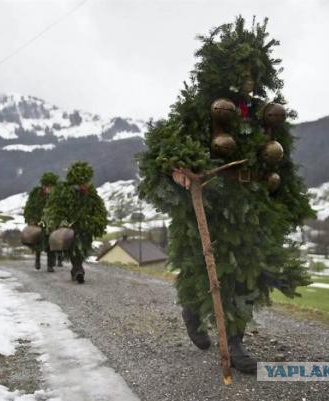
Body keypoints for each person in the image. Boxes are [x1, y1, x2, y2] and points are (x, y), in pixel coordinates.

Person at [137, 17, 314, 373]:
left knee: (246, 271)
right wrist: (180, 173)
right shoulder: (204, 108)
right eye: (243, 71)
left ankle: (234, 343)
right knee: (204, 269)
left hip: (251, 206)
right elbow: (166, 148)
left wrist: (286, 200)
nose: (249, 80)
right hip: (212, 203)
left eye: (254, 72)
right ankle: (192, 309)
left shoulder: (265, 116)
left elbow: (283, 163)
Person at [43, 161, 107, 283]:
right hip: (69, 227)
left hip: (86, 225)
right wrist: (62, 222)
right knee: (73, 248)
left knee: (82, 248)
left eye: (84, 182)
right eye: (80, 183)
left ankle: (76, 269)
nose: (83, 185)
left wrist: (96, 221)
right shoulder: (64, 192)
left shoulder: (91, 194)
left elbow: (99, 210)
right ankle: (78, 269)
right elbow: (56, 209)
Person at [23, 172, 61, 272]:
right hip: (38, 221)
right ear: (43, 186)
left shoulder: (56, 195)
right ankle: (37, 259)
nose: (49, 189)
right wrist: (31, 219)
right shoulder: (36, 194)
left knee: (51, 243)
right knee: (38, 241)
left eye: (51, 187)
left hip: (51, 222)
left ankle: (50, 265)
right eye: (48, 186)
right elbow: (29, 207)